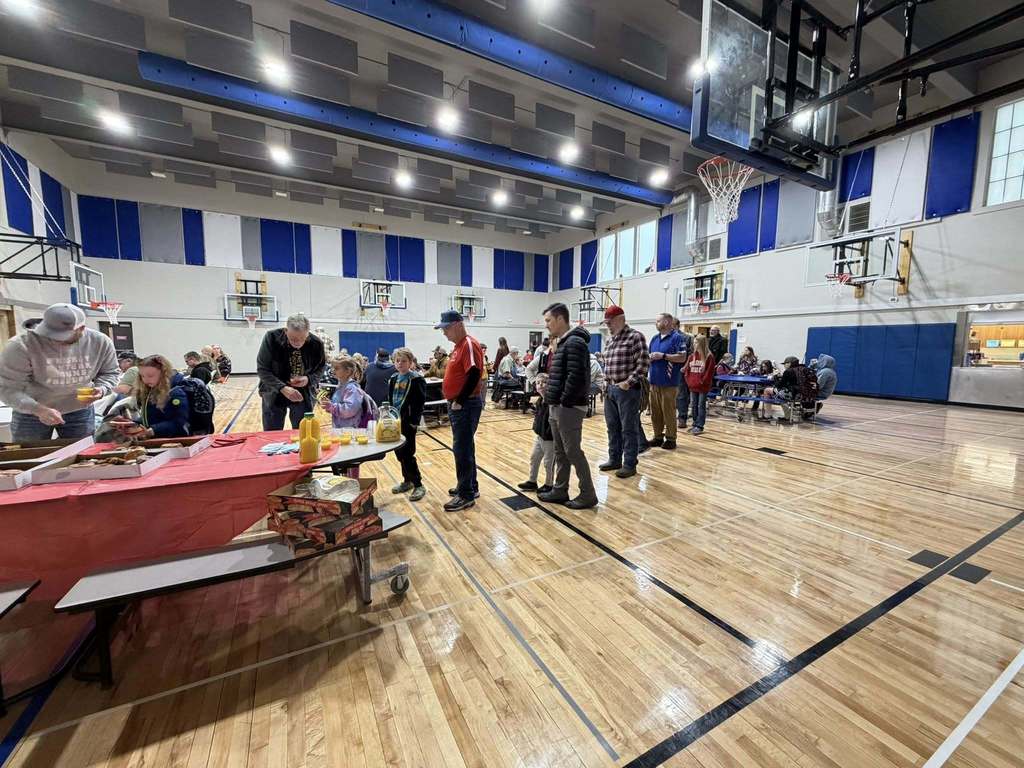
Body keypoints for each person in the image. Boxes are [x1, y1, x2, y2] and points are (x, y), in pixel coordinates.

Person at [0, 303, 119, 441]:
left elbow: (110, 373)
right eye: (50, 335)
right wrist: (37, 409)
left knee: (82, 455)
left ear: (81, 329)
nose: (55, 340)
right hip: (31, 412)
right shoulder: (20, 346)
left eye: (62, 336)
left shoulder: (100, 342)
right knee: (27, 455)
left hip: (79, 410)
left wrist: (102, 389)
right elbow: (8, 388)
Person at [539, 303, 596, 508]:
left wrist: (564, 401)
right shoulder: (563, 343)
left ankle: (588, 493)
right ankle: (560, 489)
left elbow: (576, 376)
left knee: (573, 451)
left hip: (568, 407)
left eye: (548, 321)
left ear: (560, 319)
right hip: (558, 405)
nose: (546, 325)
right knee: (560, 451)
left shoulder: (574, 343)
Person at [437, 310, 485, 512]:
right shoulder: (458, 346)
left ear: (457, 325)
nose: (444, 333)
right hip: (459, 405)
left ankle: (465, 495)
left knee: (462, 449)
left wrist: (460, 400)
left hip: (464, 405)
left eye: (446, 328)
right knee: (465, 447)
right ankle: (469, 486)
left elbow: (475, 372)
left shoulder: (468, 344)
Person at [599, 305, 649, 478]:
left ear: (620, 319)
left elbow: (643, 365)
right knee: (612, 427)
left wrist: (628, 382)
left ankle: (629, 463)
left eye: (610, 322)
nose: (608, 325)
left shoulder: (635, 337)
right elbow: (607, 365)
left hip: (627, 390)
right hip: (610, 389)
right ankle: (614, 459)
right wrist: (605, 383)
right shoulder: (610, 340)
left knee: (628, 428)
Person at [257, 313, 326, 430]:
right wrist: (282, 388)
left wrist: (308, 379)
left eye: (302, 339)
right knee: (272, 433)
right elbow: (263, 369)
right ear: (285, 331)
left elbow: (321, 368)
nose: (298, 343)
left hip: (303, 393)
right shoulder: (271, 338)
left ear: (308, 333)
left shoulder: (316, 343)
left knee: (303, 431)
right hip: (274, 391)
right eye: (293, 339)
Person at [110, 355, 191, 439]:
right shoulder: (149, 392)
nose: (145, 380)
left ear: (164, 374)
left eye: (150, 376)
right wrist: (133, 423)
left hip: (176, 440)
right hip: (157, 440)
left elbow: (179, 422)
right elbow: (151, 417)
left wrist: (154, 430)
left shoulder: (176, 393)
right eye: (142, 376)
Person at [388, 348, 427, 502]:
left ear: (411, 362)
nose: (400, 364)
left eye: (404, 361)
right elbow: (391, 399)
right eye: (397, 361)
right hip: (395, 421)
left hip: (408, 422)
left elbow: (419, 403)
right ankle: (407, 481)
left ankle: (418, 484)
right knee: (399, 452)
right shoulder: (393, 378)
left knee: (408, 454)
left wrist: (414, 422)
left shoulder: (416, 379)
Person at [519, 336, 556, 494]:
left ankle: (549, 484)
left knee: (548, 462)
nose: (540, 386)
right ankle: (532, 480)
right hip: (540, 435)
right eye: (538, 383)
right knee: (534, 458)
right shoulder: (540, 401)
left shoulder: (552, 402)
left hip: (550, 437)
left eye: (544, 384)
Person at [647, 312, 686, 450]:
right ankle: (658, 436)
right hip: (654, 381)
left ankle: (671, 438)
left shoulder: (677, 338)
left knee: (668, 411)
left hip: (669, 382)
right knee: (655, 412)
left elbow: (682, 358)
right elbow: (649, 356)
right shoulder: (654, 339)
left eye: (658, 321)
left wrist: (663, 356)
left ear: (667, 322)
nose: (655, 323)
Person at [321, 355, 373, 429]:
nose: (333, 370)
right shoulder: (341, 386)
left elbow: (350, 410)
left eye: (336, 368)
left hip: (351, 429)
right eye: (333, 368)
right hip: (341, 428)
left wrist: (332, 407)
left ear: (348, 371)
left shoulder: (352, 388)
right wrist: (330, 404)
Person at [683, 335, 715, 435]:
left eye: (696, 342)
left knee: (701, 405)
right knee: (693, 405)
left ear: (701, 343)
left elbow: (709, 373)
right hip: (693, 386)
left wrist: (702, 382)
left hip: (702, 387)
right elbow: (687, 371)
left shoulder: (709, 356)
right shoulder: (691, 356)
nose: (694, 344)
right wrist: (689, 381)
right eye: (694, 342)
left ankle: (700, 425)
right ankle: (694, 424)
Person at [674, 320, 694, 431]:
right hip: (669, 370)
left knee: (681, 394)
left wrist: (685, 367)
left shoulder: (686, 338)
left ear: (677, 325)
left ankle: (682, 417)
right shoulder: (667, 337)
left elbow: (691, 355)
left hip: (681, 369)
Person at [490, 336, 510, 402]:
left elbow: (497, 360)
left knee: (497, 384)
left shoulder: (500, 349)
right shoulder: (507, 349)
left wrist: (494, 368)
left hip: (500, 367)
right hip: (506, 367)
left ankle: (495, 398)